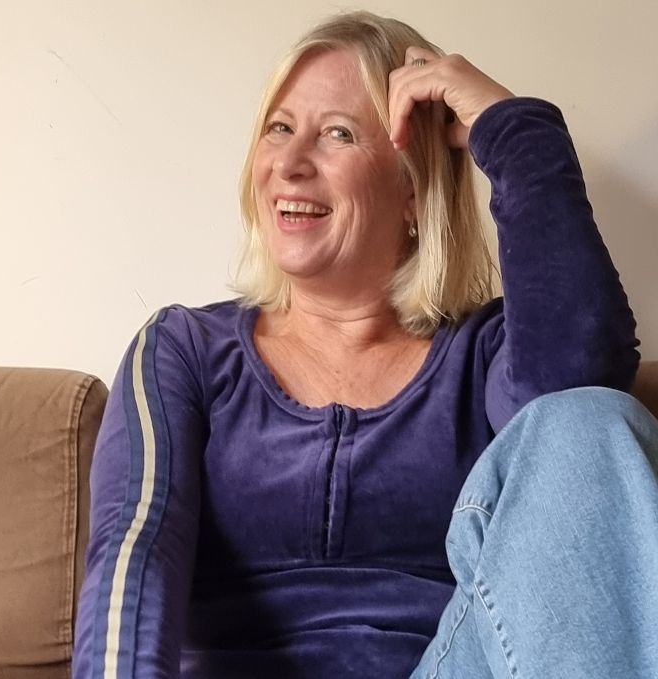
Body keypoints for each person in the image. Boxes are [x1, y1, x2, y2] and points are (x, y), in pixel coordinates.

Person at [72, 11, 658, 679]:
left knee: (590, 419)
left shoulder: (486, 354)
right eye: (279, 128)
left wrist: (514, 130)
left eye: (338, 134)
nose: (290, 164)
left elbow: (583, 396)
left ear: (412, 191)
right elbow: (135, 548)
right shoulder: (183, 349)